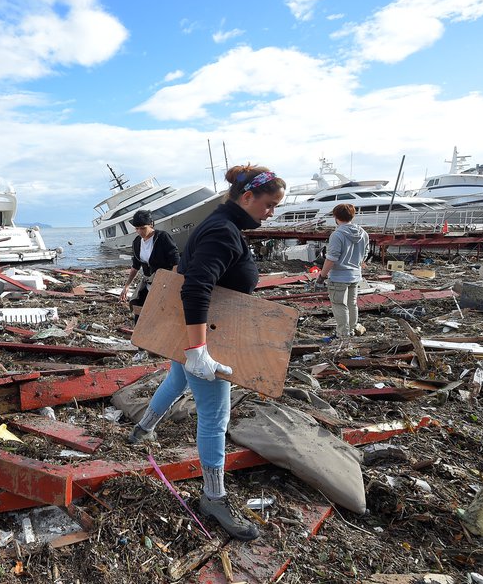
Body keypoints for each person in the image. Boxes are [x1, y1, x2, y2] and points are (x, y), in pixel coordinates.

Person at [128, 165, 286, 542]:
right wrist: (198, 349)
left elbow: (183, 268)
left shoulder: (216, 222)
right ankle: (214, 497)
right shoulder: (222, 230)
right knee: (215, 418)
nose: (271, 213)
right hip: (208, 339)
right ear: (246, 197)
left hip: (196, 333)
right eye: (269, 205)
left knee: (175, 378)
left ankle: (142, 429)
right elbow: (195, 288)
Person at [316, 203, 369, 338]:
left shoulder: (337, 234)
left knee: (339, 304)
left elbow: (331, 258)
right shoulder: (363, 233)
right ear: (352, 216)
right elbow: (365, 254)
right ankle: (352, 329)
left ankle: (343, 334)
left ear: (336, 217)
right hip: (355, 275)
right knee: (352, 303)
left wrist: (322, 276)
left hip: (339, 276)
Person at [118, 210, 179, 317]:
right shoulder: (136, 242)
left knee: (160, 312)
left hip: (164, 282)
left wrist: (174, 283)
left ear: (151, 224)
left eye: (143, 228)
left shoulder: (162, 237)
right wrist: (127, 286)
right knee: (138, 309)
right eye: (137, 228)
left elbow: (175, 261)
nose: (140, 231)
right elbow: (135, 266)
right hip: (147, 282)